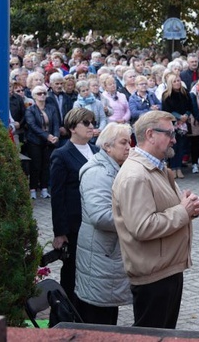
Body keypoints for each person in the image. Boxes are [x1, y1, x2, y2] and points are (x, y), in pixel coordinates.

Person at [111, 111, 199, 329]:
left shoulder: (157, 167)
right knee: (151, 335)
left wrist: (188, 208)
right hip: (153, 275)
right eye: (170, 133)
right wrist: (183, 211)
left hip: (166, 268)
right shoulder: (136, 175)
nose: (174, 139)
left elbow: (166, 209)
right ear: (150, 135)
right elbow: (142, 227)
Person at [75, 123, 133, 325]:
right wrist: (137, 220)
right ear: (107, 147)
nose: (129, 147)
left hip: (106, 256)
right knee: (99, 322)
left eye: (129, 142)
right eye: (123, 142)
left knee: (108, 317)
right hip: (100, 256)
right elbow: (99, 216)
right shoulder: (98, 173)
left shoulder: (114, 168)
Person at [50, 108, 100, 309]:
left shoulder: (97, 151)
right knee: (71, 271)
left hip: (96, 222)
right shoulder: (61, 155)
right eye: (86, 123)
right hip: (74, 224)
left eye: (92, 123)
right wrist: (60, 232)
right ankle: (65, 311)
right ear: (72, 128)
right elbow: (57, 195)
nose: (91, 127)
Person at [24, 85, 60, 199]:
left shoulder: (51, 108)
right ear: (34, 96)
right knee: (35, 165)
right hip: (35, 141)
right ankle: (33, 189)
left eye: (44, 93)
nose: (42, 95)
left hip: (49, 142)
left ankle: (44, 189)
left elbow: (55, 124)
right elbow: (32, 126)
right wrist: (47, 136)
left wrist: (56, 136)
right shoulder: (30, 110)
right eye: (39, 94)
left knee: (46, 165)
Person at [161, 72, 192, 178]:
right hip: (173, 123)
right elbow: (167, 109)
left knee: (182, 146)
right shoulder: (166, 95)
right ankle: (173, 168)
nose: (177, 83)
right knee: (174, 146)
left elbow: (190, 106)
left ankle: (179, 168)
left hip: (183, 124)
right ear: (170, 83)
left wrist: (186, 115)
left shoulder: (185, 93)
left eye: (178, 80)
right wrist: (178, 117)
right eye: (174, 81)